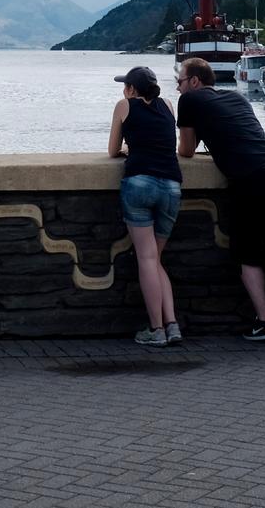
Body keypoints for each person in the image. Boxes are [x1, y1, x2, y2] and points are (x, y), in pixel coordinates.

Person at [175, 57, 265, 346]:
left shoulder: (190, 101)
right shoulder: (237, 98)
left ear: (194, 81)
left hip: (249, 178)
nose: (177, 88)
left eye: (180, 82)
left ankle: (264, 322)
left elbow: (185, 150)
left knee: (249, 253)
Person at [107, 66, 182, 347]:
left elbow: (113, 150)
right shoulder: (168, 105)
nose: (123, 90)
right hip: (172, 186)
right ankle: (172, 324)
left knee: (147, 260)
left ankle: (156, 329)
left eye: (125, 85)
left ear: (131, 89)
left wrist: (129, 148)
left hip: (140, 183)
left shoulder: (124, 106)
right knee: (155, 259)